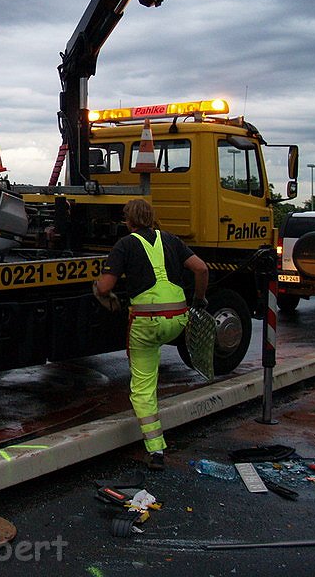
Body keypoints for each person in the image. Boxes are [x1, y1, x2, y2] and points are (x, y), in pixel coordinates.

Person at [92, 198, 208, 470]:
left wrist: (98, 288)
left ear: (128, 221)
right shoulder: (171, 239)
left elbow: (107, 284)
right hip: (178, 320)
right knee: (158, 343)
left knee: (143, 387)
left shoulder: (125, 244)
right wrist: (199, 300)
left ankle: (156, 451)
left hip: (146, 322)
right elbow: (201, 268)